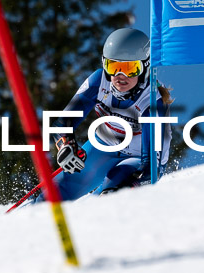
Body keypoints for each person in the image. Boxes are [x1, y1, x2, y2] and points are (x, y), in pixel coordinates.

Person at [36, 28, 172, 202]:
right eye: (113, 66)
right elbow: (63, 124)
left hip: (139, 158)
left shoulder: (153, 101)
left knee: (113, 189)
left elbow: (151, 165)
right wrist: (65, 145)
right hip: (103, 145)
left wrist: (133, 183)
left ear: (144, 68)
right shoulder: (99, 81)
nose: (119, 76)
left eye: (130, 68)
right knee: (55, 194)